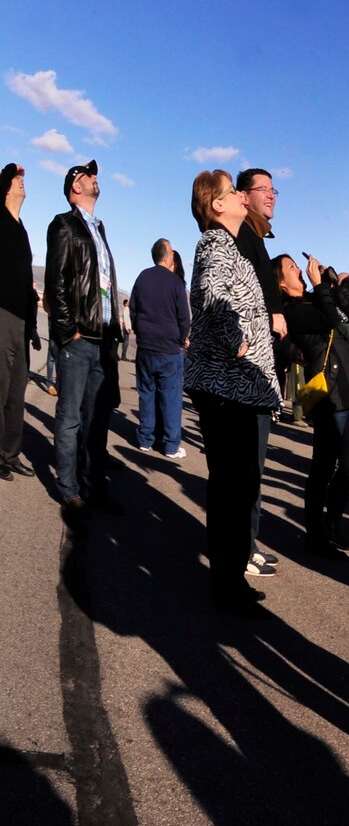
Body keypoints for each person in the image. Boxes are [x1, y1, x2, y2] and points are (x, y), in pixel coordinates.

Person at [185, 170, 282, 617]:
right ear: (216, 205)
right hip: (226, 384)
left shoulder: (232, 244)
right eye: (233, 192)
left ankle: (231, 578)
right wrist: (236, 338)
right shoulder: (215, 244)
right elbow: (211, 293)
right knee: (232, 487)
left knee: (239, 487)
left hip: (239, 385)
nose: (243, 197)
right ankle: (226, 585)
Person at [275, 253, 349, 555]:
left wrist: (331, 281)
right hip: (328, 394)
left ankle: (333, 524)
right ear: (280, 282)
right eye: (291, 268)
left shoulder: (313, 297)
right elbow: (329, 318)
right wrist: (321, 289)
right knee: (322, 467)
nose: (299, 270)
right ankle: (315, 534)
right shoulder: (292, 311)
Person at [46, 160, 125, 515]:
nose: (95, 178)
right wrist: (67, 330)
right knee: (70, 416)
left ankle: (94, 486)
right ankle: (69, 487)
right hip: (78, 338)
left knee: (98, 418)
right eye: (87, 175)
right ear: (75, 187)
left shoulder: (99, 228)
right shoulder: (65, 224)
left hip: (103, 337)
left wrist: (115, 330)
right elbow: (56, 281)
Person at [232, 166, 288, 579]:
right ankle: (241, 550)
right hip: (249, 370)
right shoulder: (242, 239)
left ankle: (247, 544)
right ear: (243, 196)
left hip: (259, 370)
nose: (271, 195)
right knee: (247, 466)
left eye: (274, 189)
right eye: (262, 189)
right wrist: (271, 316)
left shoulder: (256, 238)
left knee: (254, 466)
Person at [130, 238, 192, 459]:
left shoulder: (142, 277)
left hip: (146, 346)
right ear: (168, 256)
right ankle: (171, 444)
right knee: (171, 398)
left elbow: (134, 309)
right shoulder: (175, 283)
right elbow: (184, 317)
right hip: (169, 348)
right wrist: (182, 337)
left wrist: (140, 331)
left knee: (146, 394)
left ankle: (145, 439)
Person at [0, 164, 39, 480]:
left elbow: (25, 278)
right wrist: (9, 168)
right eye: (17, 179)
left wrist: (34, 324)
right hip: (1, 315)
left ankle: (9, 455)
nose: (22, 182)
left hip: (22, 321)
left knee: (16, 392)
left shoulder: (21, 227)